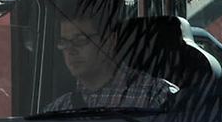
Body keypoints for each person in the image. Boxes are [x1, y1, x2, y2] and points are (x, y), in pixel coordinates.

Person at [41, 14, 174, 113]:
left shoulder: (156, 96)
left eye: (80, 40)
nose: (70, 50)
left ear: (110, 41)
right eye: (64, 42)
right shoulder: (57, 110)